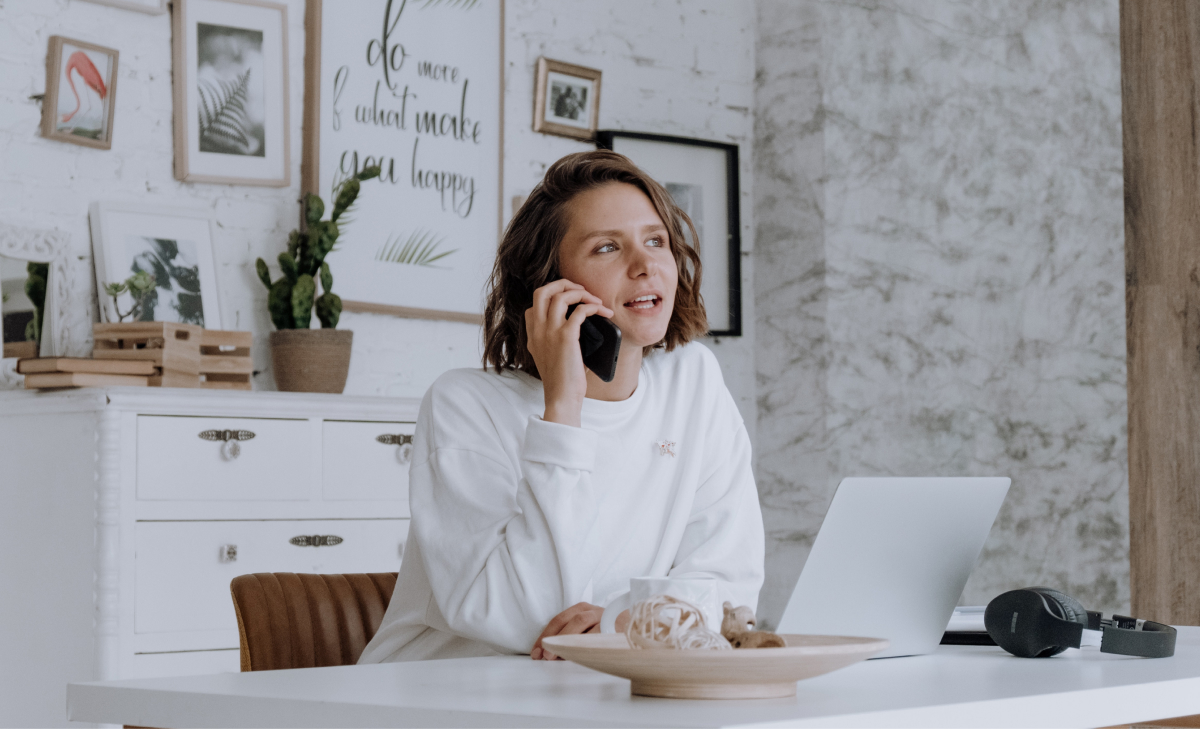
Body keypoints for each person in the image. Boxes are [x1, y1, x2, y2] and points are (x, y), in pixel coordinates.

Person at [358, 150, 764, 663]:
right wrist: (563, 407)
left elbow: (729, 586)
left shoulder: (695, 382)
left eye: (656, 240)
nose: (645, 266)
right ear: (549, 285)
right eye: (607, 248)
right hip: (444, 693)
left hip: (599, 685)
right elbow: (528, 616)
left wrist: (618, 622)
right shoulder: (463, 405)